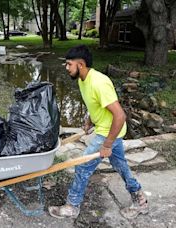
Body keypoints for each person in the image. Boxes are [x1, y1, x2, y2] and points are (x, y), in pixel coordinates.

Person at [48, 45, 148, 219]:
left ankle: (72, 206)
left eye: (68, 64)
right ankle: (140, 202)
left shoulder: (99, 83)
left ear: (80, 64)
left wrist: (107, 144)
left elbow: (120, 115)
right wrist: (88, 120)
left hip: (109, 132)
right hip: (107, 129)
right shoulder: (82, 80)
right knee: (121, 166)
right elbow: (92, 103)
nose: (66, 68)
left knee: (82, 166)